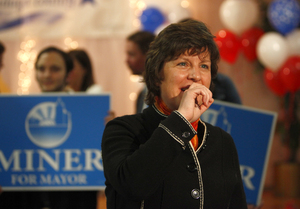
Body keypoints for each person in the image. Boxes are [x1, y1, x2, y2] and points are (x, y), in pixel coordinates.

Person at [102, 19, 247, 208]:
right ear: (156, 76)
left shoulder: (223, 141)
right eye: (183, 64)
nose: (196, 76)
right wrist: (181, 120)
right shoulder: (122, 130)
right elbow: (133, 186)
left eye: (204, 66)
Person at [0, 46, 98, 209]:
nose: (47, 74)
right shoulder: (17, 111)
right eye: (41, 69)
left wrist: (109, 129)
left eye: (55, 69)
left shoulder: (87, 113)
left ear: (68, 74)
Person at [126, 31, 155, 113]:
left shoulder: (161, 94)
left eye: (131, 54)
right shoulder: (142, 94)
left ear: (147, 55)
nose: (126, 60)